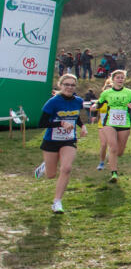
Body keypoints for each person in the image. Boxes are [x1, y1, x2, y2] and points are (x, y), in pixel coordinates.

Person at [33, 74, 87, 213]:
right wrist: (60, 123)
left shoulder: (78, 101)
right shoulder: (52, 102)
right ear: (60, 85)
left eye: (72, 85)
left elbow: (75, 116)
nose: (69, 87)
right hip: (51, 141)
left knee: (66, 168)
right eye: (66, 85)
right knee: (51, 175)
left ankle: (57, 202)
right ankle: (44, 167)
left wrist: (83, 126)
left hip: (69, 140)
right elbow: (41, 123)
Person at [92, 69, 131, 182]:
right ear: (112, 79)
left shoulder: (130, 92)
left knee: (120, 151)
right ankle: (114, 173)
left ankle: (112, 156)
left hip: (124, 123)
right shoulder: (106, 93)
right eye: (118, 77)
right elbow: (99, 103)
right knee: (113, 147)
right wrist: (95, 105)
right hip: (109, 123)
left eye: (122, 77)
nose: (120, 79)